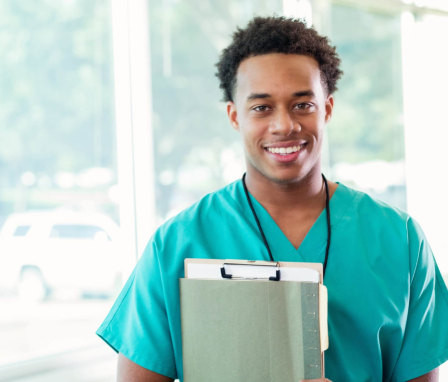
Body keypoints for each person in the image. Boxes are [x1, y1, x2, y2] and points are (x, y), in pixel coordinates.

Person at [97, 16, 448, 382]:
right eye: (262, 107)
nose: (284, 125)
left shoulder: (400, 239)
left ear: (326, 108)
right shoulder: (176, 245)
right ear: (235, 116)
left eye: (302, 105)